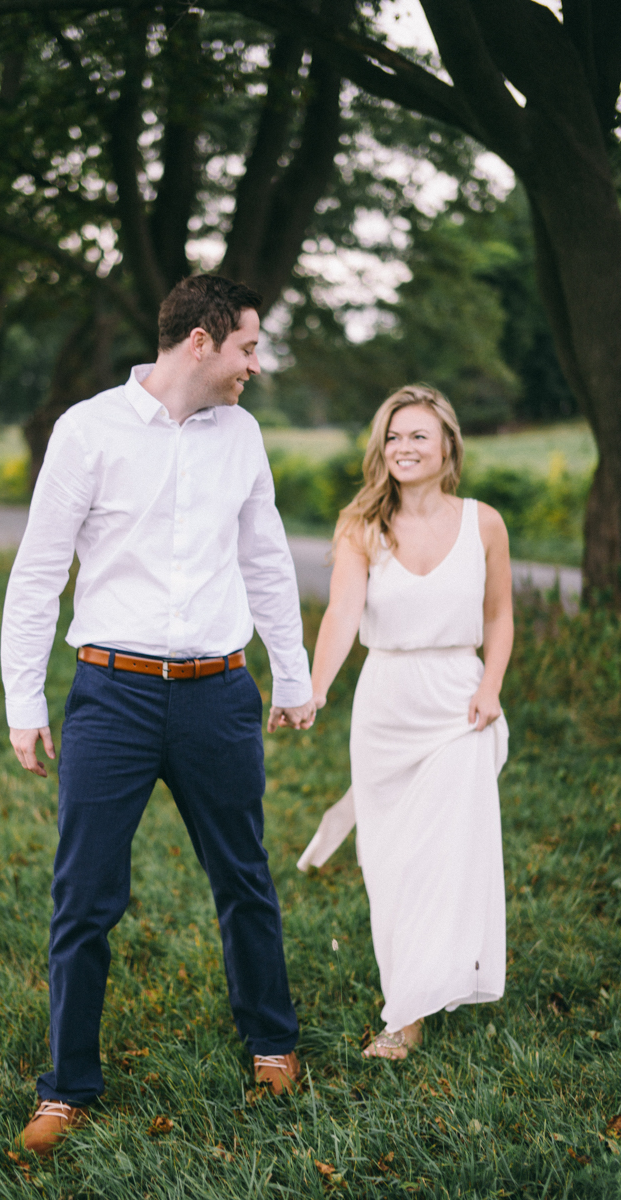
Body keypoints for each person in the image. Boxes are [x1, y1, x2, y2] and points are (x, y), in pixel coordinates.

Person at [1, 275, 316, 1155]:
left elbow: (267, 560)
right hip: (113, 693)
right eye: (251, 346)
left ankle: (272, 1041)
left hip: (219, 691)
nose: (259, 363)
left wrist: (289, 674)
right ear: (204, 341)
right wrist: (24, 699)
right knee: (84, 896)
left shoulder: (242, 436)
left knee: (243, 876)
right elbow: (37, 573)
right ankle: (67, 1087)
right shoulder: (88, 429)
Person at [299, 384, 513, 1059]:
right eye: (393, 436)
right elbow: (341, 614)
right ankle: (412, 993)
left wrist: (491, 685)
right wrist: (317, 687)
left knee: (442, 854)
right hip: (387, 705)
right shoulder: (360, 523)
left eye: (418, 435)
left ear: (448, 444)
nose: (404, 448)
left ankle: (409, 1015)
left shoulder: (484, 523)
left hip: (458, 703)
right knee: (390, 863)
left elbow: (500, 616)